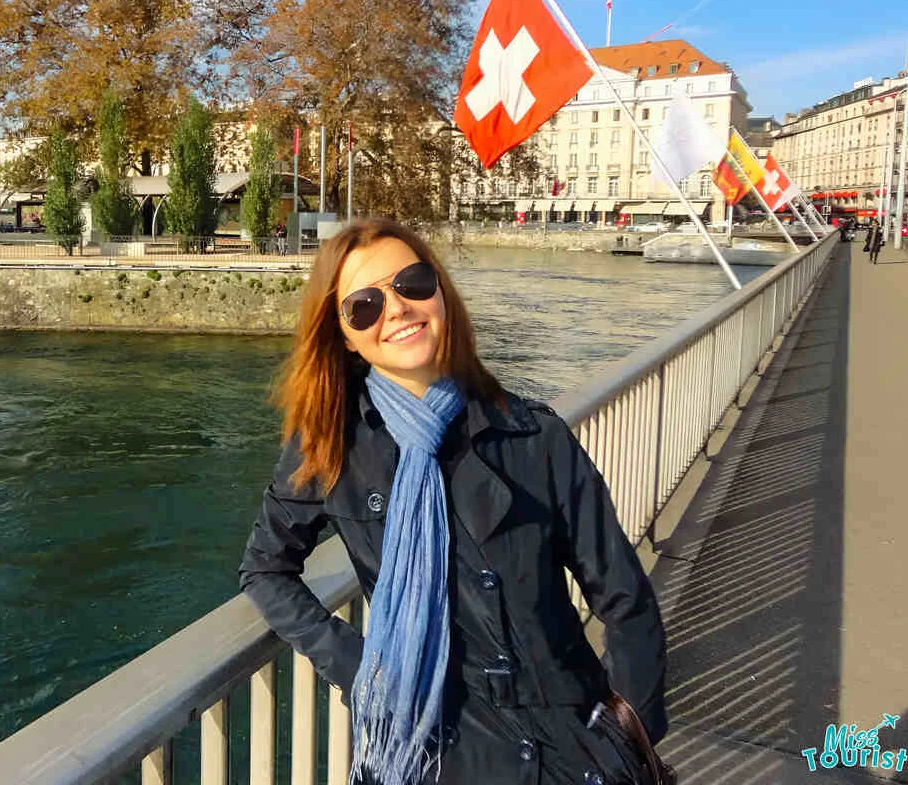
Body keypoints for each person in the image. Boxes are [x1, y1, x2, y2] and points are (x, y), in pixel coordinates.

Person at [239, 219, 668, 785]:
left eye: (411, 283)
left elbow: (625, 597)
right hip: (428, 750)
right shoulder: (329, 445)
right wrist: (359, 666)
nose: (394, 309)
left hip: (565, 750)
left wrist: (624, 726)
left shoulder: (533, 437)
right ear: (343, 335)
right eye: (363, 305)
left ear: (440, 292)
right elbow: (266, 567)